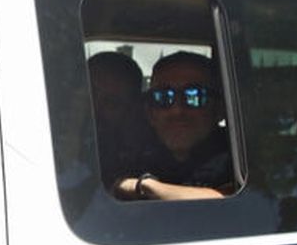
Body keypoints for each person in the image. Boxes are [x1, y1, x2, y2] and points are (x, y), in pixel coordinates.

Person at [114, 50, 234, 201]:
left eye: (194, 96)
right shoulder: (135, 157)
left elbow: (235, 200)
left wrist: (143, 186)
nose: (177, 110)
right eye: (163, 97)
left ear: (220, 110)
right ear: (150, 113)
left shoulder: (238, 160)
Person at [87, 50, 151, 185]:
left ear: (132, 108)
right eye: (90, 95)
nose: (95, 108)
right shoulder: (56, 137)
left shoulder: (146, 157)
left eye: (111, 102)